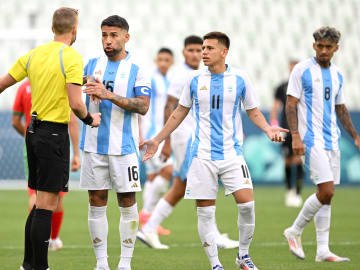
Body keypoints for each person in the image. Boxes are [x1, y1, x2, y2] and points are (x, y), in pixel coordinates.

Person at [142, 32, 287, 270]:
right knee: (206, 213)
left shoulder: (240, 78)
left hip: (232, 153)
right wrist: (158, 139)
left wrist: (268, 129)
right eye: (202, 48)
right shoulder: (194, 80)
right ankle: (215, 264)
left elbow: (253, 111)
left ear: (224, 52)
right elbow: (179, 111)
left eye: (209, 48)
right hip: (201, 155)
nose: (204, 53)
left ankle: (243, 256)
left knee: (247, 204)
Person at [0, 7, 101, 270]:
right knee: (47, 205)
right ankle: (41, 267)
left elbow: (2, 84)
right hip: (53, 134)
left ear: (52, 28)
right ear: (75, 30)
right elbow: (76, 103)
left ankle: (28, 264)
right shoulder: (71, 56)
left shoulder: (34, 55)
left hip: (32, 134)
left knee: (38, 205)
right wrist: (91, 120)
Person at [137, 35, 238, 250]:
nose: (196, 54)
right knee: (202, 185)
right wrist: (166, 142)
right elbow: (170, 107)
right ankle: (213, 235)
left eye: (198, 50)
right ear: (184, 52)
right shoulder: (182, 76)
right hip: (185, 139)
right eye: (191, 50)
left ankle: (149, 228)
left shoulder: (201, 74)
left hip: (196, 139)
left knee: (182, 186)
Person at [80, 15, 151, 270]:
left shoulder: (137, 69)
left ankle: (125, 263)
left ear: (126, 37)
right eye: (104, 35)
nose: (107, 41)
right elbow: (75, 97)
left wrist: (107, 94)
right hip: (93, 146)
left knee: (127, 203)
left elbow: (143, 106)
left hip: (124, 149)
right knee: (96, 202)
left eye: (113, 35)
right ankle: (101, 264)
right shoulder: (90, 65)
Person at [284, 26, 360, 262]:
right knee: (326, 190)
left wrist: (355, 135)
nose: (324, 50)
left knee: (326, 196)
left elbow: (340, 108)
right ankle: (294, 230)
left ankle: (322, 250)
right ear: (314, 45)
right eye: (320, 46)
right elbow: (290, 104)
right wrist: (295, 136)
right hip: (311, 140)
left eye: (329, 47)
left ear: (336, 48)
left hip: (332, 139)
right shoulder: (302, 70)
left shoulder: (337, 74)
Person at [12, 79, 81, 251]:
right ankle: (53, 239)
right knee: (55, 193)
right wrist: (76, 153)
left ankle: (35, 244)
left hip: (33, 142)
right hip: (55, 140)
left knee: (35, 193)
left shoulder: (23, 87)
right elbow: (71, 119)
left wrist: (30, 138)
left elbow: (15, 121)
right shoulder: (56, 85)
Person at [139, 47, 174, 235]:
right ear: (156, 60)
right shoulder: (152, 80)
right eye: (160, 59)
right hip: (152, 136)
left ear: (171, 62)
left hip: (158, 134)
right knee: (168, 170)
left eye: (166, 60)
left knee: (153, 177)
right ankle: (147, 215)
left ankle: (148, 218)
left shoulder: (168, 81)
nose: (163, 63)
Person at [270, 60, 304, 207]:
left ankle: (297, 192)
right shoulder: (282, 87)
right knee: (288, 160)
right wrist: (275, 126)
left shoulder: (305, 87)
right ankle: (289, 190)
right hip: (286, 128)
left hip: (301, 128)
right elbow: (275, 107)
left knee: (298, 159)